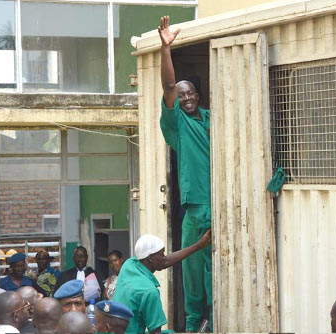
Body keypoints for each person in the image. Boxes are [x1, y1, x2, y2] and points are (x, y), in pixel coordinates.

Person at [158, 15, 213, 332]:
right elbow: (168, 85)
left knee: (216, 273)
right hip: (194, 210)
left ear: (198, 95)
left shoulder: (210, 118)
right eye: (181, 95)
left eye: (190, 92)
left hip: (216, 206)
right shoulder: (176, 124)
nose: (186, 97)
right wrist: (167, 48)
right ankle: (194, 326)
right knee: (192, 275)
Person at [114, 232, 211, 334]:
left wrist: (198, 245)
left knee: (170, 332)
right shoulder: (149, 292)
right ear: (151, 258)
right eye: (161, 254)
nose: (164, 257)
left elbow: (165, 262)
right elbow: (155, 332)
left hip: (117, 330)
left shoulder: (129, 265)